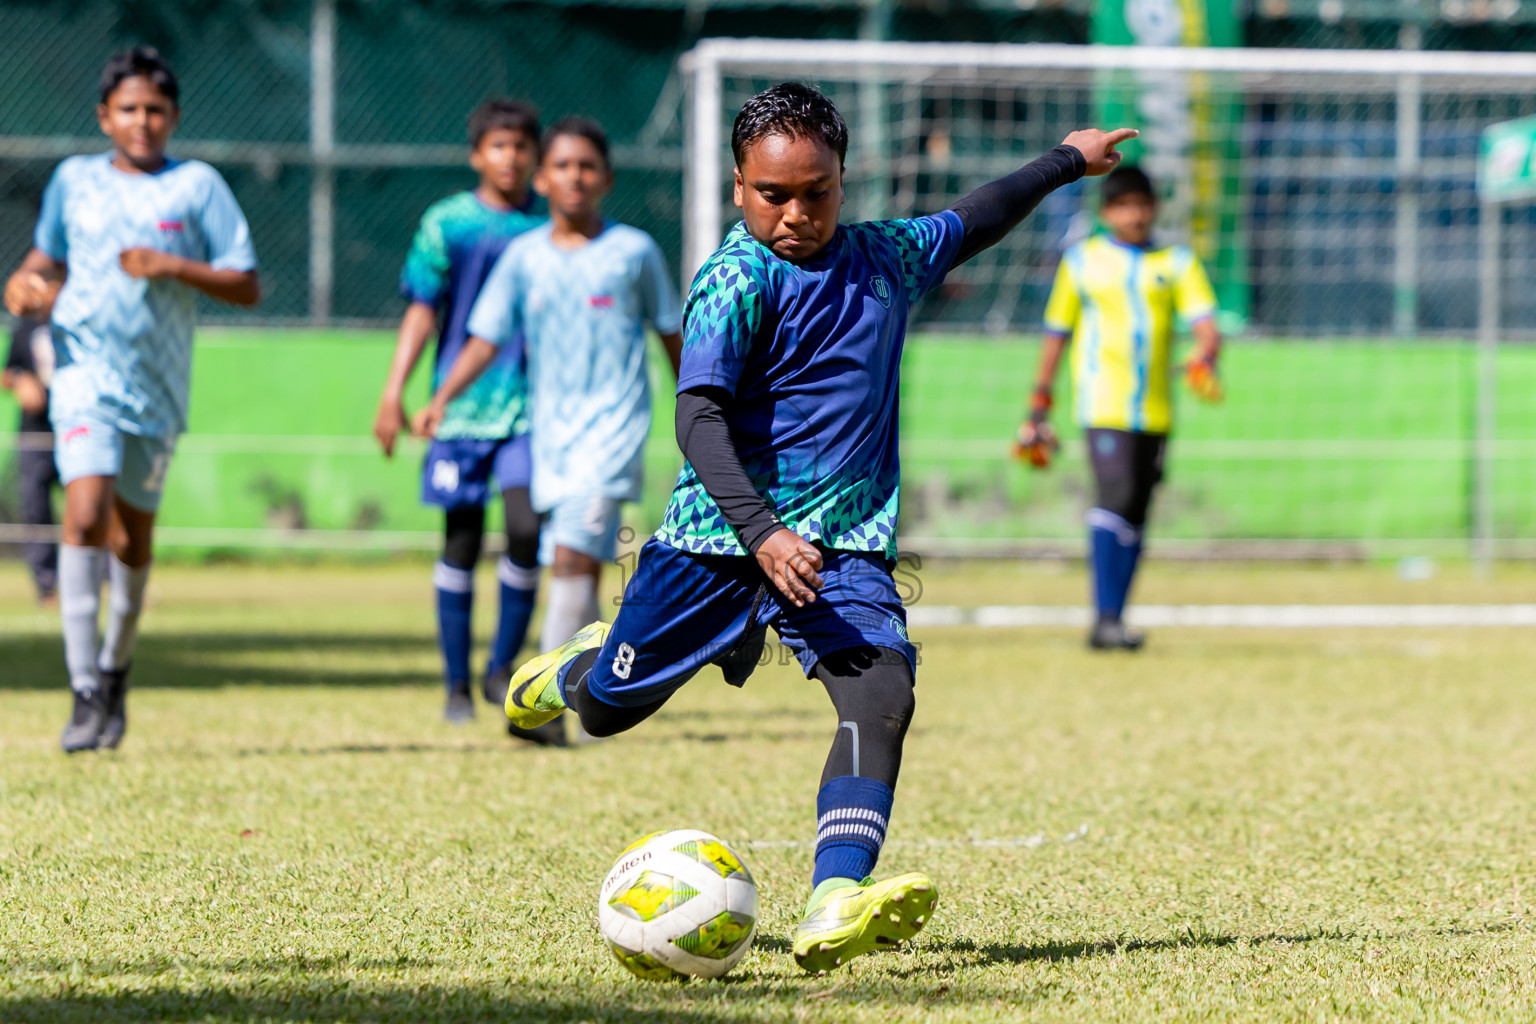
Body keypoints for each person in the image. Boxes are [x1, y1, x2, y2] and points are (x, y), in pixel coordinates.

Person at [498, 83, 1133, 972]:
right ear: (738, 188)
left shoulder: (886, 258)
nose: (796, 213)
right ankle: (577, 669)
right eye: (774, 195)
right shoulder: (735, 278)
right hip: (715, 546)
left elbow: (976, 217)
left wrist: (1067, 159)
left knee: (882, 692)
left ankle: (835, 897)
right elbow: (698, 421)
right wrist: (761, 532)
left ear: (843, 180)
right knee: (607, 712)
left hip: (840, 549)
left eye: (817, 192)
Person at [2, 46, 260, 752]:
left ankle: (116, 669)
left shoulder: (198, 187)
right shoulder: (74, 181)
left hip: (158, 384)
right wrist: (21, 287)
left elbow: (246, 281)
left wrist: (174, 265)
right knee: (82, 512)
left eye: (154, 109)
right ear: (103, 117)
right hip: (83, 370)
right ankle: (84, 691)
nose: (141, 121)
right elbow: (41, 259)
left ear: (172, 117)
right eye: (127, 109)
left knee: (131, 538)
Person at [416, 117, 684, 746]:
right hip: (549, 438)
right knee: (578, 571)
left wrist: (700, 411)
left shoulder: (633, 252)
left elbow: (672, 335)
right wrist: (442, 398)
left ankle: (533, 709)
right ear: (543, 179)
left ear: (607, 179)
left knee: (568, 559)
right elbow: (484, 338)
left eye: (587, 166)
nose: (575, 177)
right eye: (562, 166)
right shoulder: (524, 257)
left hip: (611, 435)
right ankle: (598, 705)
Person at [372, 99, 548, 730]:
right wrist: (395, 393)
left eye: (522, 146)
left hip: (531, 410)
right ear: (478, 155)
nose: (511, 157)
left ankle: (502, 670)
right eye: (499, 146)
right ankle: (454, 683)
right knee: (461, 541)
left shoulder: (552, 225)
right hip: (460, 410)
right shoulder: (447, 223)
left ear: (537, 156)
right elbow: (422, 309)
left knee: (527, 531)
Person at [1016, 165, 1222, 651]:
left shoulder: (1176, 262)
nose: (1135, 214)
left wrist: (1206, 355)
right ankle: (1105, 619)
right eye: (1124, 204)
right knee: (1116, 494)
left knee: (1137, 509)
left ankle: (1116, 619)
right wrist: (1040, 400)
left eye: (1143, 204)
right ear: (1107, 211)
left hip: (1155, 410)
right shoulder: (1082, 261)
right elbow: (1056, 332)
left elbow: (1206, 324)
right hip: (1102, 403)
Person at [3, 316, 60, 605]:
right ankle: (47, 586)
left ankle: (114, 580)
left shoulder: (83, 317)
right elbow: (6, 373)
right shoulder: (26, 327)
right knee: (36, 509)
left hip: (79, 427)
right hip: (35, 432)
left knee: (95, 505)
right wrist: (18, 380)